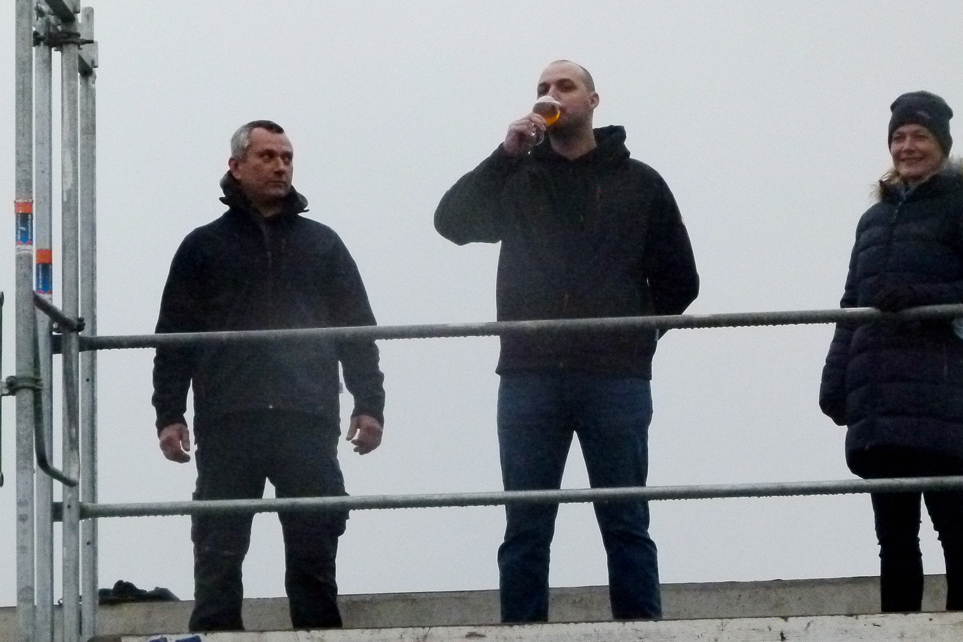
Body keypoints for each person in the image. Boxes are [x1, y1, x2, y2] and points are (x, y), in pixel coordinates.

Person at [434, 60, 699, 622]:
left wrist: (635, 337)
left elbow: (680, 281)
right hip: (528, 374)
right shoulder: (519, 178)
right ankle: (521, 633)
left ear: (594, 101)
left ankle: (640, 633)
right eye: (542, 88)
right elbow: (452, 222)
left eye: (564, 85)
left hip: (615, 378)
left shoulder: (640, 182)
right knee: (526, 524)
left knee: (625, 520)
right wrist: (506, 153)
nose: (550, 94)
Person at [152, 120, 386, 631]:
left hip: (307, 416)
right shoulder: (202, 246)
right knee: (218, 544)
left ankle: (319, 636)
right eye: (268, 156)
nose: (281, 166)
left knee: (315, 543)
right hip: (229, 416)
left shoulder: (322, 244)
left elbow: (357, 331)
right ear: (236, 166)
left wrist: (369, 404)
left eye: (287, 157)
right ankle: (214, 636)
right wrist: (168, 414)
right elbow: (173, 338)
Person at [820, 91, 963, 612]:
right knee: (893, 531)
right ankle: (897, 629)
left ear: (942, 144)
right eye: (898, 137)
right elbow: (852, 304)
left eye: (920, 136)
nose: (907, 146)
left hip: (945, 389)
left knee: (953, 518)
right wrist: (836, 377)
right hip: (879, 395)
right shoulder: (873, 220)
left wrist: (924, 299)